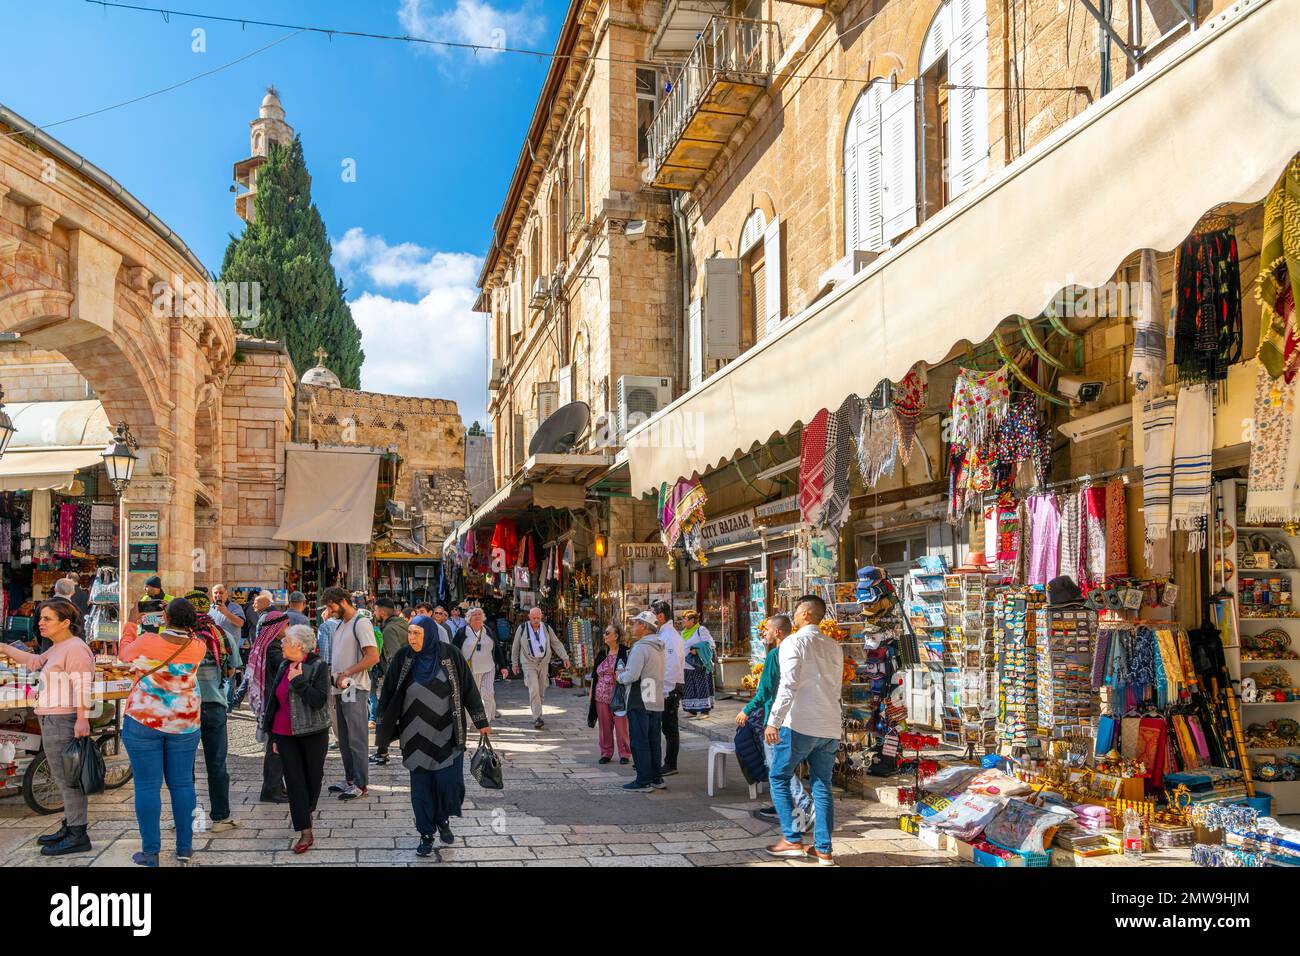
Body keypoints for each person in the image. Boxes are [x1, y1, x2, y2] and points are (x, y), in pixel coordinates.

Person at [376, 614, 491, 856]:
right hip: (414, 737)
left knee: (448, 784)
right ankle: (426, 834)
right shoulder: (403, 657)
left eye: (417, 633)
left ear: (429, 633)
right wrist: (382, 727)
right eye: (410, 633)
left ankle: (442, 818)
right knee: (421, 790)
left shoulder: (450, 655)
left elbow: (469, 687)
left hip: (448, 733)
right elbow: (387, 692)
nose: (412, 638)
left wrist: (481, 721)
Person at [0, 599, 95, 855]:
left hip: (62, 720)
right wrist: (4, 648)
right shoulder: (57, 647)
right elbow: (34, 662)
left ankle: (78, 835)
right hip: (51, 719)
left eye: (47, 619)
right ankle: (71, 825)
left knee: (68, 780)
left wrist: (82, 719)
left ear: (65, 623)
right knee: (63, 778)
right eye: (41, 618)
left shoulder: (75, 649)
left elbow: (83, 686)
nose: (40, 623)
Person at [118, 597, 207, 866]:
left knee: (147, 786)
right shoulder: (198, 646)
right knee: (182, 785)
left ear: (165, 617)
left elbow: (124, 654)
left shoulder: (149, 641)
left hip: (145, 719)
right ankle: (184, 847)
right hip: (185, 722)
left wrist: (131, 623)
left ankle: (151, 851)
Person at [764, 595, 843, 865]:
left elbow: (788, 685)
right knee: (822, 786)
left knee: (778, 777)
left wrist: (773, 721)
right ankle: (823, 849)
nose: (793, 615)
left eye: (797, 611)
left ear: (807, 614)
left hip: (799, 724)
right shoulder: (834, 646)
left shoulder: (793, 642)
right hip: (829, 723)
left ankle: (792, 838)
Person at [736, 615, 812, 828]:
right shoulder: (800, 650)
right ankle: (786, 807)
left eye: (767, 630)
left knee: (777, 766)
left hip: (775, 718)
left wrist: (746, 710)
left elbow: (764, 692)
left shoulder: (775, 655)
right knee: (785, 763)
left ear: (778, 632)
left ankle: (803, 805)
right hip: (798, 715)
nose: (764, 633)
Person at [262, 624, 331, 854]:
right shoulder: (283, 665)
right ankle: (305, 830)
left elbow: (319, 700)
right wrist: (272, 735)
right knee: (294, 782)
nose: (281, 644)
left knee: (313, 778)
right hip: (284, 734)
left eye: (286, 641)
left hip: (313, 732)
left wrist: (299, 682)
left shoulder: (319, 667)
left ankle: (306, 811)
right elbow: (275, 701)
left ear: (299, 646)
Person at [321, 586, 379, 800]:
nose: (330, 610)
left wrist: (347, 672)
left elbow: (372, 657)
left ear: (342, 601)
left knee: (357, 737)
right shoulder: (340, 625)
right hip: (340, 688)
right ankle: (350, 779)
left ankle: (361, 784)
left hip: (353, 688)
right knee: (343, 737)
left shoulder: (360, 622)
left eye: (331, 606)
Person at [194, 605, 241, 832]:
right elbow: (231, 672)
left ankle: (184, 816)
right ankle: (220, 818)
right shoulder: (223, 636)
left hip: (185, 708)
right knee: (217, 764)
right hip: (214, 705)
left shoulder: (182, 639)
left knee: (183, 767)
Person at [243, 607, 291, 803]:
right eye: (286, 625)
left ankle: (277, 786)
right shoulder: (273, 647)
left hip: (271, 701)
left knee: (275, 745)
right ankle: (271, 790)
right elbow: (283, 667)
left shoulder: (270, 645)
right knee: (275, 747)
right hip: (275, 703)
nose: (288, 628)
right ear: (277, 626)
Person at [617, 611, 666, 792]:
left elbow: (632, 675)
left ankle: (643, 780)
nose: (632, 626)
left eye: (635, 623)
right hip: (654, 694)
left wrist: (620, 677)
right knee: (653, 739)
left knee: (639, 740)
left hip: (640, 697)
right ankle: (656, 777)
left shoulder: (641, 647)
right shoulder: (659, 646)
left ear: (644, 626)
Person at [511, 606, 570, 730]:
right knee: (534, 688)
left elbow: (556, 643)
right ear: (529, 617)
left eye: (538, 618)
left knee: (541, 690)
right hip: (529, 663)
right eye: (534, 618)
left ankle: (538, 713)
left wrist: (565, 657)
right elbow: (515, 646)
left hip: (543, 663)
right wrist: (514, 663)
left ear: (541, 617)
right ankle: (537, 717)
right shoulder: (522, 628)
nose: (536, 620)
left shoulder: (546, 628)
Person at [369, 598, 408, 763]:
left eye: (376, 610)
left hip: (397, 679)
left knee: (382, 715)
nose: (374, 613)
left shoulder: (390, 630)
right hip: (408, 677)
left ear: (383, 612)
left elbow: (394, 658)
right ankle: (384, 751)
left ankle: (382, 752)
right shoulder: (403, 624)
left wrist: (392, 684)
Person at [587, 623, 631, 765]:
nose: (604, 635)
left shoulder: (626, 652)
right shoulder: (601, 653)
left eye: (607, 633)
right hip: (600, 696)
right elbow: (595, 676)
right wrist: (591, 694)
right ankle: (606, 753)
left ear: (616, 636)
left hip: (619, 696)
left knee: (621, 727)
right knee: (604, 727)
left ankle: (625, 753)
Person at [651, 600, 685, 777]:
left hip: (669, 688)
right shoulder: (664, 634)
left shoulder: (670, 637)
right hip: (665, 687)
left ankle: (671, 763)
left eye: (653, 615)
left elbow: (671, 666)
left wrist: (666, 690)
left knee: (670, 728)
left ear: (661, 616)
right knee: (663, 726)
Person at [458, 607, 502, 722]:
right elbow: (454, 649)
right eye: (474, 614)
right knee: (473, 696)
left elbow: (497, 648)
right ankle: (471, 721)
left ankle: (487, 720)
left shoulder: (488, 630)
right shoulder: (462, 632)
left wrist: (503, 667)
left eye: (479, 614)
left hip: (488, 668)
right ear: (469, 618)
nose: (477, 616)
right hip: (471, 670)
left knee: (488, 693)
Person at [681, 610, 716, 717]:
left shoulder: (701, 630)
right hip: (686, 665)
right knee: (689, 687)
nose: (683, 621)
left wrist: (697, 650)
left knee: (701, 686)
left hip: (699, 665)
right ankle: (692, 710)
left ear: (692, 620)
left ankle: (705, 711)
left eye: (685, 619)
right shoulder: (683, 632)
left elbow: (710, 644)